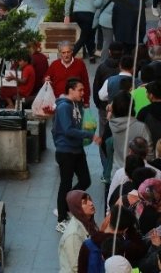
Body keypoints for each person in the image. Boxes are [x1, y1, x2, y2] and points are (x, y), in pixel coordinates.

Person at [53, 78, 99, 233]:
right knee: (65, 183)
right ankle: (61, 217)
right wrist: (89, 135)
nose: (83, 92)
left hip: (77, 149)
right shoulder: (64, 107)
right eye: (80, 90)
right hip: (66, 150)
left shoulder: (76, 104)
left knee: (85, 179)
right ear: (70, 90)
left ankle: (66, 204)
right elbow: (67, 129)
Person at [57, 190, 98, 273]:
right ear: (77, 208)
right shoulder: (73, 235)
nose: (90, 203)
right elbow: (77, 267)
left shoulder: (87, 221)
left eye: (89, 199)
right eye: (84, 202)